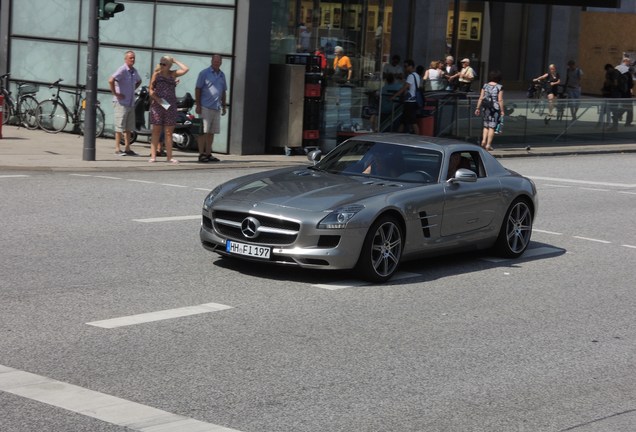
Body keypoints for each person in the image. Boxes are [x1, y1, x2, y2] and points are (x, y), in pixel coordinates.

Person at [148, 55, 189, 163]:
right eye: (161, 63)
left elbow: (186, 69)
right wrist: (157, 99)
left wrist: (175, 60)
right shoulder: (156, 75)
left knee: (168, 132)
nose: (162, 65)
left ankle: (169, 157)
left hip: (170, 106)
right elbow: (151, 90)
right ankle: (153, 156)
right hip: (158, 105)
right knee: (156, 131)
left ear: (169, 65)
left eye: (164, 64)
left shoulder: (172, 74)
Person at [195, 54, 228, 163]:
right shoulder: (204, 73)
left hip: (216, 107)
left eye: (218, 61)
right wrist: (198, 105)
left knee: (211, 132)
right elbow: (198, 89)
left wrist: (224, 105)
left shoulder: (222, 75)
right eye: (215, 61)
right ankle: (201, 154)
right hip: (205, 107)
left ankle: (208, 153)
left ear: (221, 62)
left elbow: (223, 91)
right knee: (203, 132)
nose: (216, 63)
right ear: (211, 61)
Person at [108, 50, 142, 156]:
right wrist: (115, 93)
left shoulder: (133, 71)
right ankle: (117, 148)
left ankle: (127, 148)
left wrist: (132, 89)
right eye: (130, 58)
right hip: (121, 103)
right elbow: (111, 80)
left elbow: (139, 81)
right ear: (125, 59)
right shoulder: (122, 69)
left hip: (130, 102)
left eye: (133, 58)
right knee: (119, 126)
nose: (133, 60)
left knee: (128, 127)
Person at [474, 70, 504, 151]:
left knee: (486, 125)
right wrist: (502, 110)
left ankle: (483, 141)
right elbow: (500, 100)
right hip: (495, 108)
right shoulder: (499, 87)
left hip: (485, 107)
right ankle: (488, 145)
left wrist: (477, 108)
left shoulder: (485, 86)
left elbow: (481, 97)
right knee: (492, 127)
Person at [392, 59, 420, 134]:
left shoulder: (410, 76)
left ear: (411, 66)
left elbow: (405, 87)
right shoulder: (417, 75)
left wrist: (395, 96)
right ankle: (398, 136)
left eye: (406, 66)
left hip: (410, 101)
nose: (405, 68)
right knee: (404, 121)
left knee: (412, 121)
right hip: (413, 101)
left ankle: (417, 137)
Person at [618, 57, 634, 127]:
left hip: (620, 92)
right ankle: (627, 122)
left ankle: (618, 115)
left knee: (625, 106)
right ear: (625, 61)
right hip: (626, 92)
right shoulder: (627, 71)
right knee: (629, 108)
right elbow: (630, 84)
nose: (630, 63)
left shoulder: (617, 68)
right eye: (629, 62)